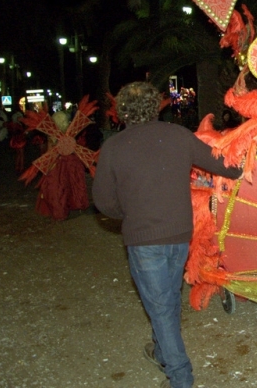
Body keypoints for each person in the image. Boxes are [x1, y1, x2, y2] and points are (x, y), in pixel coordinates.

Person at [92, 82, 243, 388]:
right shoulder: (178, 136)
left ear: (122, 111)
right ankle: (161, 350)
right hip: (179, 234)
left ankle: (180, 377)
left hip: (143, 238)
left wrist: (131, 213)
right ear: (156, 106)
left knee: (160, 305)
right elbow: (225, 166)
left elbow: (103, 202)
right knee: (166, 298)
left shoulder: (113, 148)